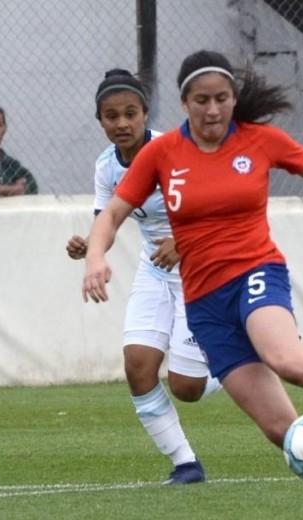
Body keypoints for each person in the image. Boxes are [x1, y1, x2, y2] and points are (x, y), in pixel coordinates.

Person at [82, 50, 303, 520]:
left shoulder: (259, 141)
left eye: (220, 99)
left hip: (256, 273)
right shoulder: (162, 153)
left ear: (234, 100)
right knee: (282, 430)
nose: (211, 110)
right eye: (201, 100)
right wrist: (96, 256)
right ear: (184, 103)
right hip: (203, 301)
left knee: (287, 360)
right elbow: (112, 212)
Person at [66, 68, 220, 484]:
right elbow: (108, 221)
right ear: (100, 121)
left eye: (129, 113)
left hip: (201, 267)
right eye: (111, 116)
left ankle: (245, 354)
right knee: (138, 366)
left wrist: (184, 241)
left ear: (146, 114)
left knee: (187, 387)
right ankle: (186, 464)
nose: (121, 123)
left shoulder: (176, 150)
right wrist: (91, 249)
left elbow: (221, 207)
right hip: (157, 269)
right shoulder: (106, 166)